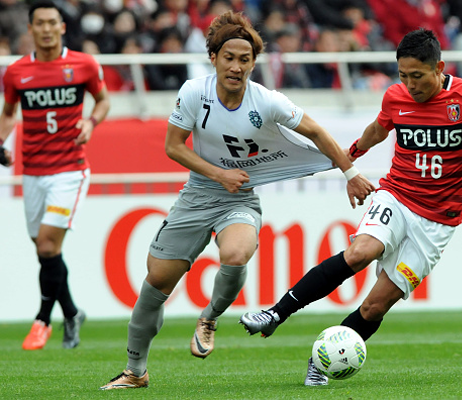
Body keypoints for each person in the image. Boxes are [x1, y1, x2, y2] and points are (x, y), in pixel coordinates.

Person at [239, 28, 462, 386]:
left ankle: (320, 363)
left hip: (437, 222)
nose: (410, 84)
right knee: (360, 252)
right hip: (397, 196)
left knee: (374, 307)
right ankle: (276, 313)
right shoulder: (395, 96)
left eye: (417, 76)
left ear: (439, 68)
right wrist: (349, 157)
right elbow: (378, 129)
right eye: (403, 75)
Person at [99, 10, 374, 390]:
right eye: (229, 57)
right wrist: (219, 173)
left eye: (245, 60)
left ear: (253, 63)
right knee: (155, 284)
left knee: (237, 252)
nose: (236, 66)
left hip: (239, 197)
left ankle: (209, 317)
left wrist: (350, 173)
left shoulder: (267, 100)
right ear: (214, 58)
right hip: (198, 193)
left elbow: (317, 132)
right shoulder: (195, 92)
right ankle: (135, 371)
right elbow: (173, 147)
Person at [0, 0, 110, 350]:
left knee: (47, 245)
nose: (46, 29)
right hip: (32, 172)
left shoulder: (83, 64)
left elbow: (103, 100)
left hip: (70, 170)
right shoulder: (17, 72)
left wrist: (90, 122)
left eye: (52, 22)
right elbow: (8, 112)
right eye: (40, 23)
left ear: (62, 27)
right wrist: (1, 141)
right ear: (30, 29)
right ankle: (72, 312)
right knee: (46, 252)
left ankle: (42, 320)